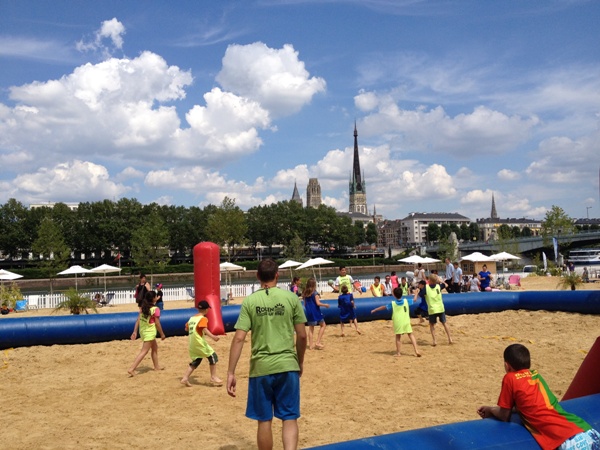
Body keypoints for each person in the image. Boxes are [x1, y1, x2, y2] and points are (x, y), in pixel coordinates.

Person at [226, 259, 307, 450]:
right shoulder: (291, 298)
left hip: (260, 367)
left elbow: (239, 339)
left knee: (264, 420)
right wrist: (300, 361)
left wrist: (231, 372)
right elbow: (302, 335)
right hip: (287, 364)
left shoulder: (251, 301)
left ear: (257, 276)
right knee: (289, 417)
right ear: (277, 275)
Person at [477, 344, 600, 450]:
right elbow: (530, 405)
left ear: (507, 365)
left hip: (568, 441)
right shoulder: (536, 376)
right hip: (586, 430)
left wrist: (491, 410)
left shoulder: (510, 378)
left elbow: (504, 416)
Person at [181, 300, 222, 387]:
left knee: (197, 360)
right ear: (206, 309)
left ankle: (185, 378)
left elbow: (186, 328)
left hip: (192, 343)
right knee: (213, 356)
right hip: (199, 342)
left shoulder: (192, 318)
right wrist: (213, 337)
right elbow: (204, 329)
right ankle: (213, 377)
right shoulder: (203, 319)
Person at [371, 287, 421, 357]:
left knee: (398, 337)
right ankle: (416, 350)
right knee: (411, 335)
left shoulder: (393, 303)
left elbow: (384, 307)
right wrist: (416, 293)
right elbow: (415, 300)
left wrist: (375, 310)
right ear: (402, 294)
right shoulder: (406, 301)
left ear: (394, 295)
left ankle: (398, 353)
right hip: (406, 321)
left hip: (398, 322)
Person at [128, 291, 166, 376]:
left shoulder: (143, 307)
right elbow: (157, 323)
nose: (157, 297)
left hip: (143, 331)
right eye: (156, 296)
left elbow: (138, 320)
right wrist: (162, 334)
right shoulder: (155, 309)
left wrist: (135, 331)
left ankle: (157, 367)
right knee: (144, 351)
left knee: (155, 347)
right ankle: (132, 368)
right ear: (153, 299)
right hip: (150, 332)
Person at [424, 274, 453, 346]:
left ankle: (434, 341)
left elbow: (421, 294)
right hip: (440, 308)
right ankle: (450, 338)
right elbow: (446, 285)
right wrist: (441, 281)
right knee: (444, 323)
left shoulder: (426, 288)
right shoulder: (438, 286)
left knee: (432, 325)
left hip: (432, 309)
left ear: (429, 281)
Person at [301, 278, 330, 350]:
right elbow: (318, 303)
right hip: (316, 312)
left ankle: (310, 346)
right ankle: (318, 342)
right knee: (323, 325)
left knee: (311, 328)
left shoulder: (305, 293)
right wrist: (325, 305)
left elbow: (304, 304)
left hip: (309, 312)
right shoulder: (315, 293)